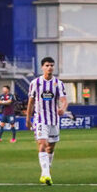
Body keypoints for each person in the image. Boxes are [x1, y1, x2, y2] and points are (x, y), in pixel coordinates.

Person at [26, 57, 68, 185]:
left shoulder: (58, 83)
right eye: (47, 65)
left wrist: (63, 109)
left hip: (54, 120)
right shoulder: (35, 83)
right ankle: (45, 174)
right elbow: (31, 102)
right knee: (42, 144)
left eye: (51, 65)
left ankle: (46, 170)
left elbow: (64, 99)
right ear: (42, 67)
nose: (49, 67)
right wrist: (28, 118)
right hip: (40, 119)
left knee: (51, 148)